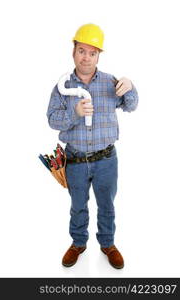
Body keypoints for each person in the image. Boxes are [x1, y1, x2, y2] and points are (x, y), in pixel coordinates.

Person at [47, 23, 138, 269]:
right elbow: (52, 120)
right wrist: (75, 113)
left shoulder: (111, 82)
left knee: (107, 204)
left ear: (99, 55)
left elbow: (131, 105)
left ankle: (107, 243)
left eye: (92, 52)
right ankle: (78, 243)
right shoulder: (61, 87)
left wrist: (131, 87)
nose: (86, 57)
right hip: (75, 160)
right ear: (73, 51)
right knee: (77, 206)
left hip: (106, 160)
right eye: (81, 51)